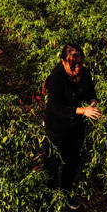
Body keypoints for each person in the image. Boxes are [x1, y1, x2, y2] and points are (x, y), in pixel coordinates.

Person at [43, 44, 102, 195]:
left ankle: (66, 193)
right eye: (73, 65)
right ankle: (48, 197)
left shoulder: (85, 73)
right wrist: (83, 110)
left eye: (80, 64)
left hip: (76, 126)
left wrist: (92, 102)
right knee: (52, 163)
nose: (77, 68)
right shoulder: (56, 78)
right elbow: (56, 107)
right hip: (57, 127)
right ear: (63, 61)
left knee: (72, 161)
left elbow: (91, 92)